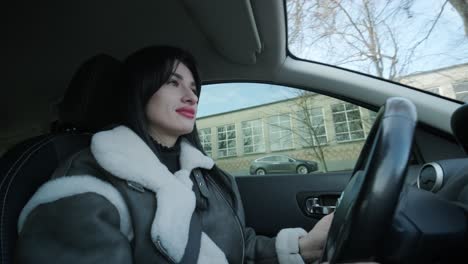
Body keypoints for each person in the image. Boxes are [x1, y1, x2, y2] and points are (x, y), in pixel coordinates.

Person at [15, 46, 334, 264]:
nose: (190, 95)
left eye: (195, 87)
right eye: (173, 82)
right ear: (139, 90)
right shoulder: (86, 184)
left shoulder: (208, 174)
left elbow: (235, 249)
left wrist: (305, 247)